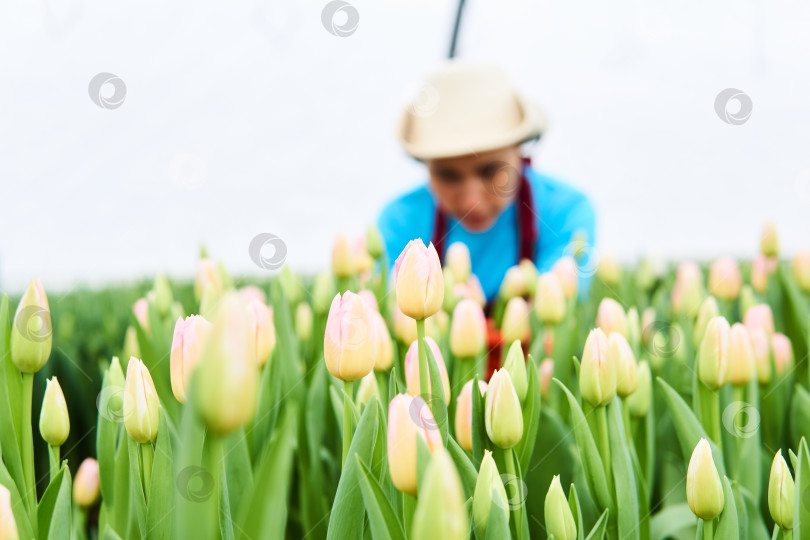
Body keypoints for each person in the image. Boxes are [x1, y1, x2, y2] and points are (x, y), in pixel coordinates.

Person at [378, 60, 597, 304]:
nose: (472, 200)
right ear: (426, 165)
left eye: (492, 171)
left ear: (520, 151)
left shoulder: (565, 212)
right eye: (448, 175)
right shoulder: (400, 221)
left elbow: (559, 309)